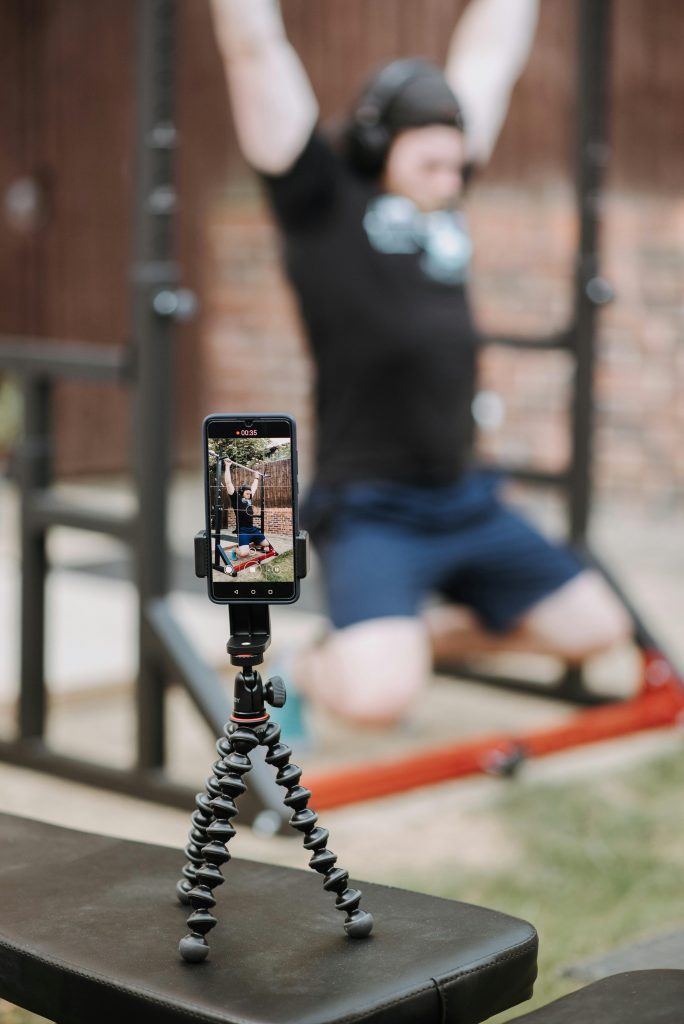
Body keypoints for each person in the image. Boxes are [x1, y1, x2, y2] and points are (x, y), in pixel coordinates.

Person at [209, 0, 632, 727]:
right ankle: (312, 665)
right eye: (431, 164)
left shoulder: (443, 189)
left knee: (597, 628)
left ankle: (405, 639)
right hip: (373, 508)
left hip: (464, 496)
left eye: (457, 163)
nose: (451, 179)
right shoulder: (317, 197)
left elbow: (494, 47)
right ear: (380, 148)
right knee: (378, 702)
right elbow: (253, 47)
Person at [223, 460, 271, 556]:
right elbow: (228, 483)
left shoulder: (249, 498)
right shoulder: (236, 498)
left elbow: (254, 487)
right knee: (244, 554)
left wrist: (256, 477)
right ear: (242, 492)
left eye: (250, 493)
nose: (249, 495)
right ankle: (236, 549)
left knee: (266, 545)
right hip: (243, 530)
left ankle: (248, 544)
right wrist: (227, 466)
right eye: (247, 493)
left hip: (252, 529)